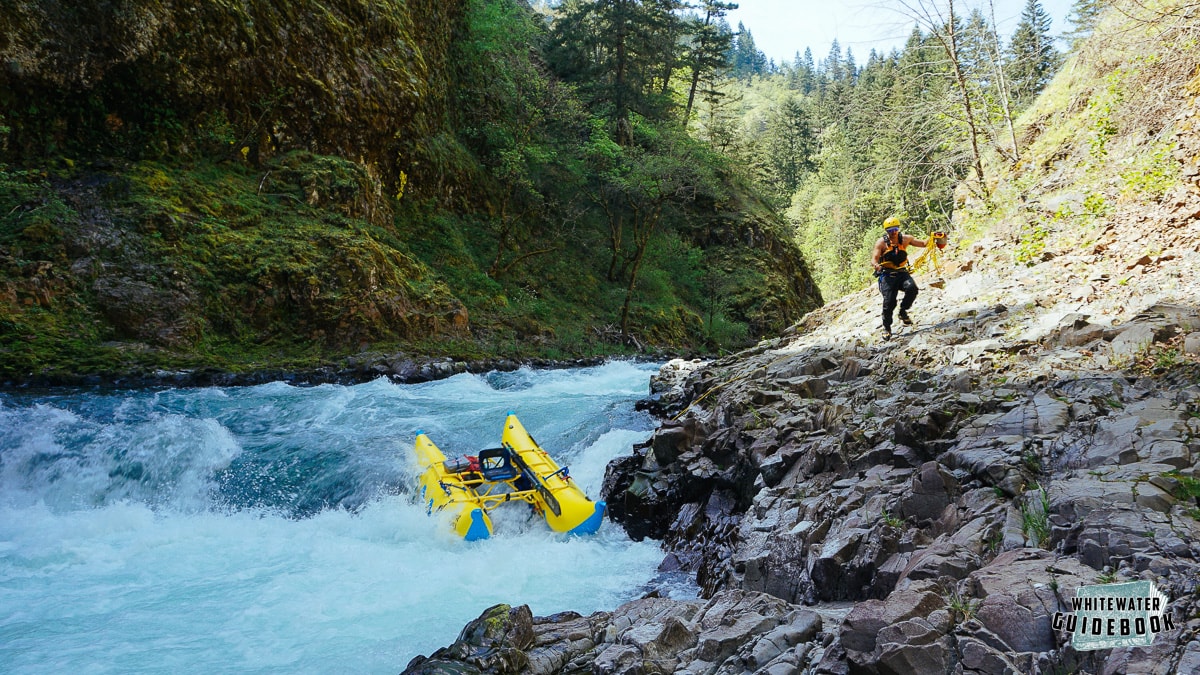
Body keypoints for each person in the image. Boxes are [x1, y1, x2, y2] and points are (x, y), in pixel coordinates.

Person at [871, 217, 928, 341]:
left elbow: (923, 244)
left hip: (902, 273)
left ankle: (903, 311)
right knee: (889, 302)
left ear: (899, 228)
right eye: (890, 230)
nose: (893, 232)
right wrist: (876, 266)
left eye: (895, 229)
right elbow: (874, 259)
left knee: (912, 289)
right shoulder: (881, 243)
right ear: (886, 230)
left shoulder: (905, 239)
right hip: (887, 275)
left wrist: (934, 238)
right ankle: (887, 328)